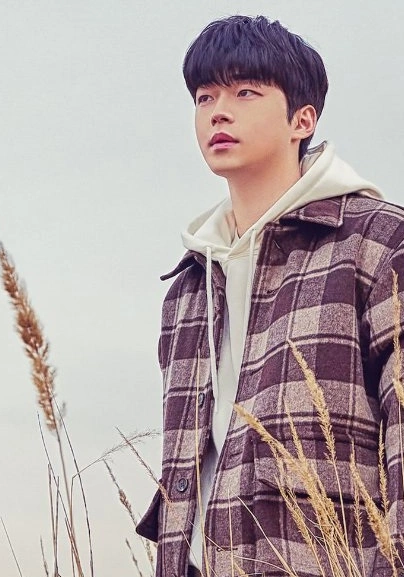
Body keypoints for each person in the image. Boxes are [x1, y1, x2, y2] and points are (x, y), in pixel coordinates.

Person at [136, 15, 404, 577]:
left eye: (245, 92)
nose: (218, 111)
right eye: (205, 96)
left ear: (302, 120)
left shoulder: (377, 242)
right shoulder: (187, 288)